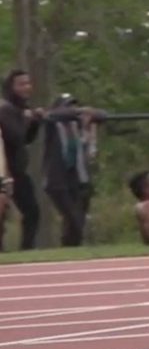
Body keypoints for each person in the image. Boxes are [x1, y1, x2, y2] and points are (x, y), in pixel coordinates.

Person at [42, 93, 99, 247]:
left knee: (79, 220)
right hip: (57, 180)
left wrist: (87, 121)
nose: (73, 109)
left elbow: (101, 116)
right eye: (68, 106)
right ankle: (69, 247)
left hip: (78, 178)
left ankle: (71, 249)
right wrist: (80, 112)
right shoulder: (53, 124)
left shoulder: (78, 126)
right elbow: (52, 115)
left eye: (74, 105)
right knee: (72, 217)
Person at [0, 70, 42, 250]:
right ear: (11, 87)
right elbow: (15, 136)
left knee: (32, 212)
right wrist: (26, 119)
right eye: (21, 84)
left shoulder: (19, 110)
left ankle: (26, 250)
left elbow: (26, 139)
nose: (27, 87)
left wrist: (35, 122)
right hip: (4, 171)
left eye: (28, 83)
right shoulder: (5, 109)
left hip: (17, 171)